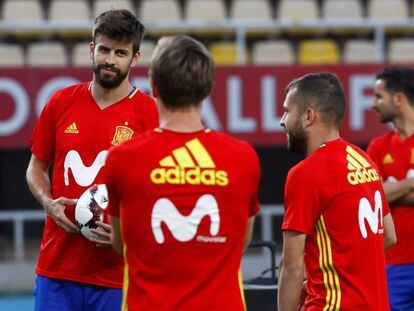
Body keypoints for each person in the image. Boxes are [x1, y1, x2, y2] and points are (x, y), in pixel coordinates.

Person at [104, 35, 261, 310]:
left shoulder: (122, 158)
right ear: (208, 87)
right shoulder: (243, 157)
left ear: (153, 86)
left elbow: (121, 244)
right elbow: (241, 241)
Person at [26, 9, 158, 311]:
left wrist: (130, 231)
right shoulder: (60, 101)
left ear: (135, 58)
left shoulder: (149, 114)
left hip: (118, 274)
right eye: (105, 49)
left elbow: (159, 192)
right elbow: (35, 167)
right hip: (56, 269)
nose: (110, 59)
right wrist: (48, 202)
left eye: (121, 52)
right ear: (92, 50)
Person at [277, 72, 396, 311]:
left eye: (287, 111)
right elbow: (389, 236)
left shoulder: (306, 173)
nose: (282, 120)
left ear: (309, 116)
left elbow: (291, 266)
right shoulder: (364, 160)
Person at [367, 67, 414, 311]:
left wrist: (393, 188)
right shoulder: (378, 146)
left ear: (398, 99)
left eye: (378, 96)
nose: (373, 104)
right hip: (393, 264)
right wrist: (410, 183)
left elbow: (383, 192)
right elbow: (371, 195)